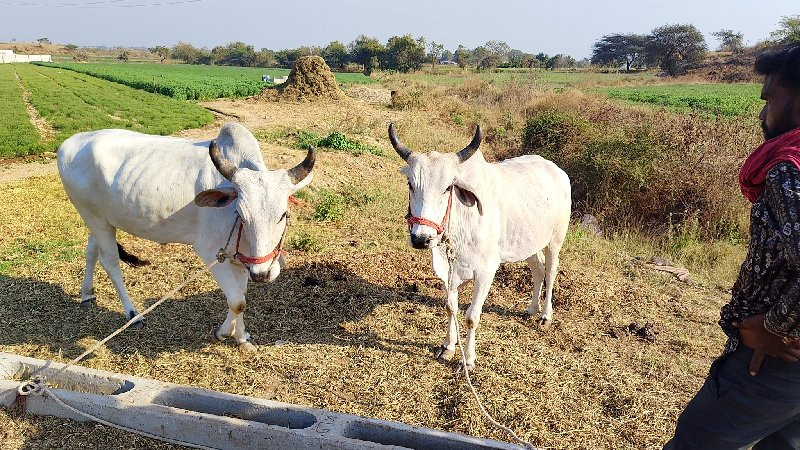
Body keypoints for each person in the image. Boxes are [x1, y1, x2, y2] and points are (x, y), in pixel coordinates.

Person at [665, 43, 800, 449]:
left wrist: (778, 326)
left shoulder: (788, 170)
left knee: (698, 441)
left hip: (774, 362)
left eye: (770, 99)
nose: (762, 114)